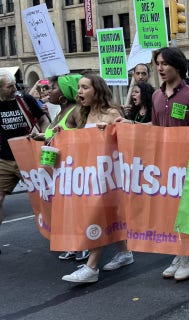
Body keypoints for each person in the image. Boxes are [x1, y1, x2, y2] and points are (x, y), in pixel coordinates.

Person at [60, 73, 130, 283]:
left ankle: (91, 267)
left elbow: (126, 138)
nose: (79, 92)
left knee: (98, 215)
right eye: (79, 88)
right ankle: (125, 253)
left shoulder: (112, 112)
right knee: (110, 215)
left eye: (85, 88)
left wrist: (110, 130)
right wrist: (57, 134)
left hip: (109, 175)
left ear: (97, 90)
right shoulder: (83, 114)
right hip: (91, 174)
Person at [148, 47, 189, 280]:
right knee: (170, 211)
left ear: (178, 65)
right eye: (158, 64)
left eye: (164, 63)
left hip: (188, 163)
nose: (160, 68)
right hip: (164, 163)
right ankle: (179, 253)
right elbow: (154, 129)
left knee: (187, 210)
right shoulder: (156, 96)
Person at [31, 74, 90, 261]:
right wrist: (42, 137)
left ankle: (85, 245)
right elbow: (54, 136)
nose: (49, 91)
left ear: (64, 93)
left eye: (54, 88)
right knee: (66, 208)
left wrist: (62, 137)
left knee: (77, 208)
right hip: (58, 169)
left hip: (74, 168)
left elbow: (86, 138)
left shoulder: (76, 111)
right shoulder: (59, 113)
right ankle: (73, 244)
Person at [0, 70, 50, 255]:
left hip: (30, 156)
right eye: (9, 86)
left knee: (46, 197)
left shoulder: (25, 100)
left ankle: (60, 235)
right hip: (5, 158)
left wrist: (45, 140)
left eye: (14, 84)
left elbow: (44, 120)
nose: (14, 89)